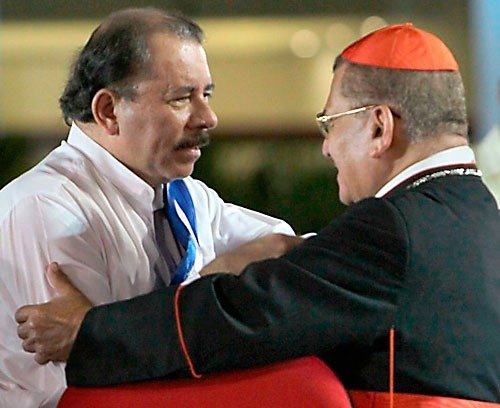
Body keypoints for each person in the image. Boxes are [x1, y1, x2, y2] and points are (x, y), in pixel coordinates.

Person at [15, 23, 499, 405]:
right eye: (183, 97)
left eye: (329, 123)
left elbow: (241, 313)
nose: (327, 148)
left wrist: (89, 332)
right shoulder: (477, 215)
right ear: (107, 111)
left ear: (379, 127)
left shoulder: (394, 226)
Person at [0, 8, 299, 408]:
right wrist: (217, 281)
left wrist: (247, 262)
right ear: (108, 111)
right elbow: (93, 385)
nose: (208, 117)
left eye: (205, 95)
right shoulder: (47, 209)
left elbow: (292, 253)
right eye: (181, 98)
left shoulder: (184, 194)